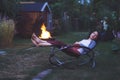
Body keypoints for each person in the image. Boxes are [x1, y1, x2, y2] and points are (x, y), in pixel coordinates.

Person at [31, 31, 99, 56]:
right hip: (73, 48)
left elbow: (88, 49)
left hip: (76, 52)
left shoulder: (93, 42)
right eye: (93, 33)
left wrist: (79, 44)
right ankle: (39, 42)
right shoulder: (85, 39)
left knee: (58, 42)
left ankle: (39, 42)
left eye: (95, 35)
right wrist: (77, 44)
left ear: (96, 37)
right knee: (57, 42)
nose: (93, 35)